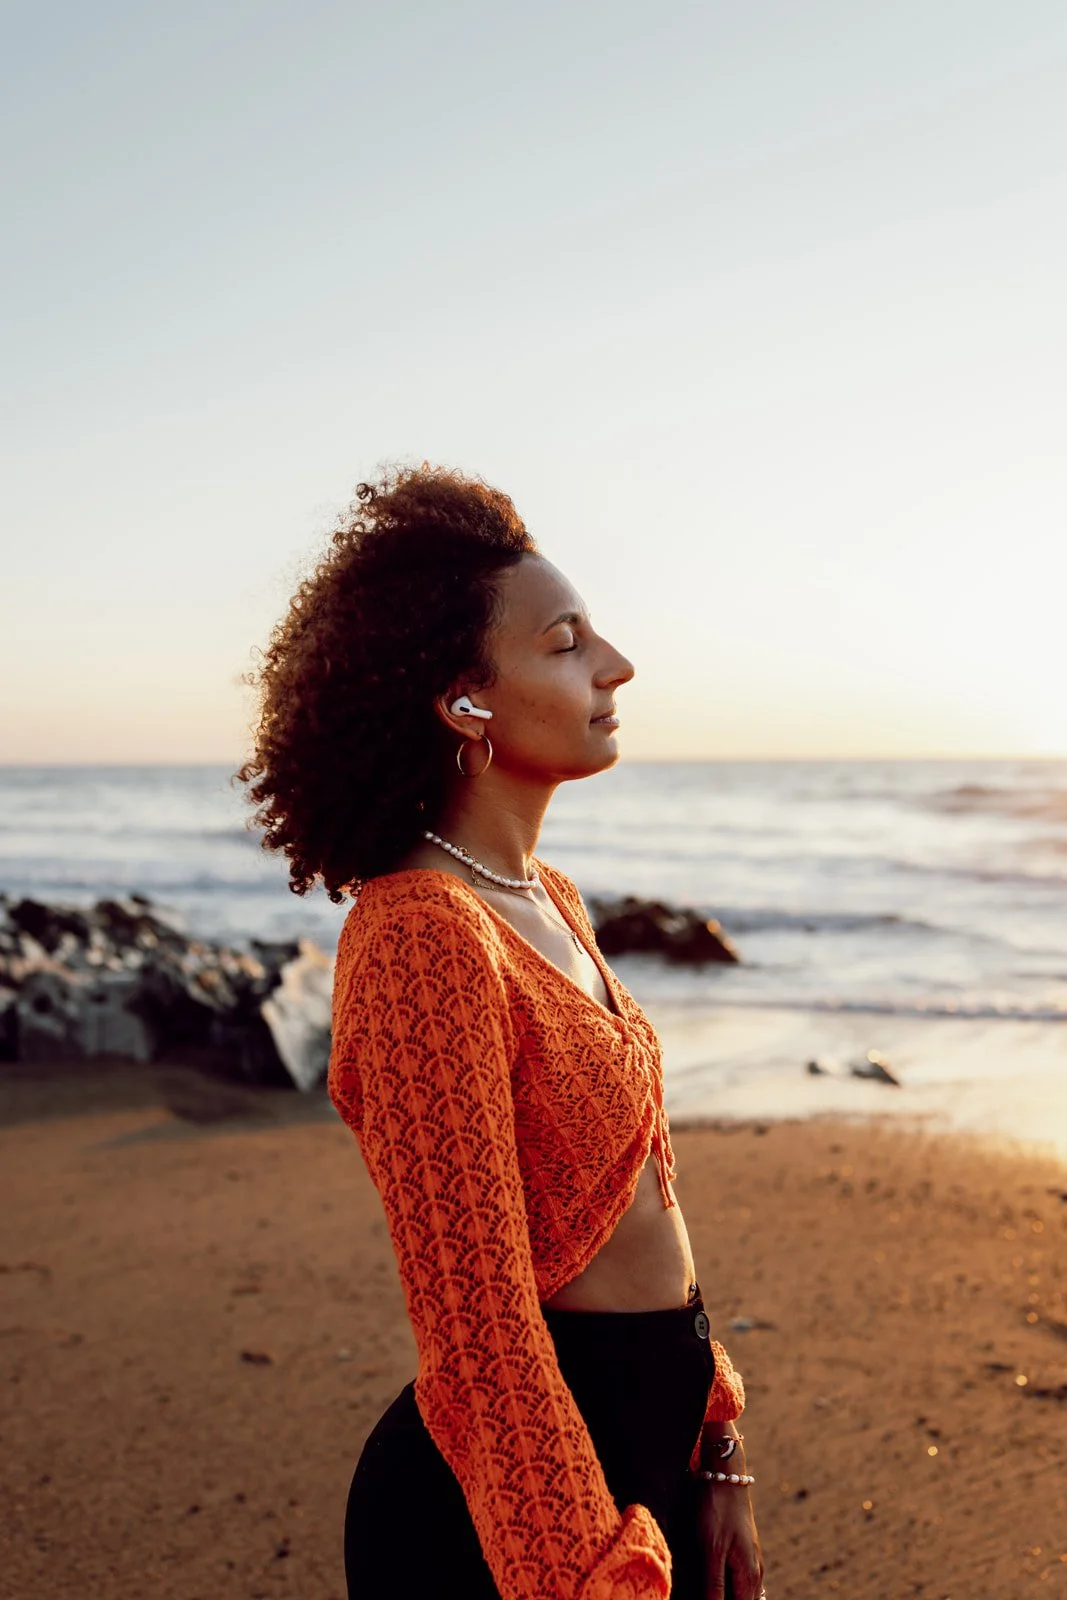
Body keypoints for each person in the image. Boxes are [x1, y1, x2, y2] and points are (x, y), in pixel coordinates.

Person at [237, 464, 766, 1599]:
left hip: (644, 1456)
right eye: (566, 642)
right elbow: (476, 1334)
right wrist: (581, 1569)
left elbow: (646, 1197)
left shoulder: (547, 897)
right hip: (508, 1518)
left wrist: (714, 1432)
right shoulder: (423, 937)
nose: (614, 665)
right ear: (463, 701)